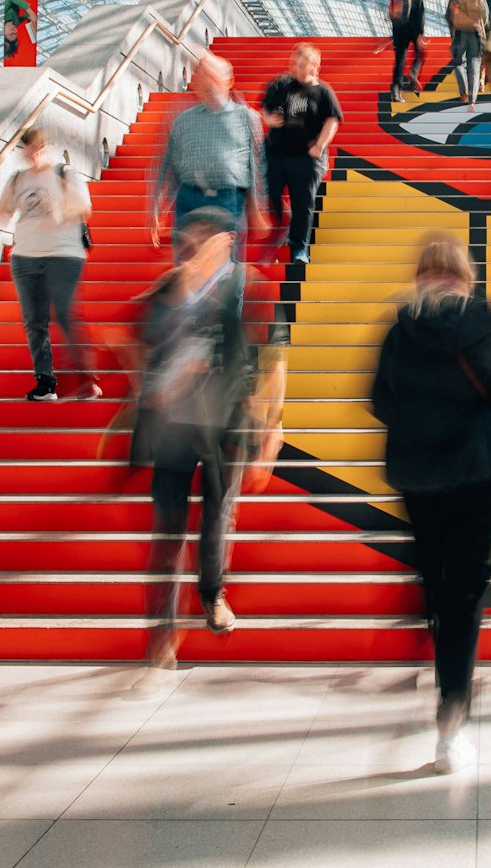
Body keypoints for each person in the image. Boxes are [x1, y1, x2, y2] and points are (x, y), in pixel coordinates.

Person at [370, 235, 491, 775]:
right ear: (466, 277)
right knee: (464, 599)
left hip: (416, 480)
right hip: (474, 478)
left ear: (421, 276)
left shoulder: (399, 331)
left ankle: (444, 668)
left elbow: (379, 403)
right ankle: (450, 722)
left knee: (440, 588)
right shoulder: (484, 328)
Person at [131, 207, 287, 670]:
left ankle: (212, 594)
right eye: (188, 239)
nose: (193, 247)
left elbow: (274, 355)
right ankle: (162, 627)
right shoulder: (168, 289)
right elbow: (140, 347)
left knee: (218, 512)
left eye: (204, 238)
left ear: (226, 241)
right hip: (174, 424)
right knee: (168, 525)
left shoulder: (250, 286)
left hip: (226, 422)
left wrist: (273, 420)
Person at [0, 126, 97, 401]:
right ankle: (45, 381)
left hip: (64, 253)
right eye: (28, 151)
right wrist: (4, 212)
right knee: (34, 321)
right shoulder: (18, 179)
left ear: (46, 147)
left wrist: (58, 214)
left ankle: (87, 379)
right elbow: (0, 212)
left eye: (37, 150)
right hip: (25, 255)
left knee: (64, 313)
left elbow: (85, 208)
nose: (33, 156)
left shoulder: (65, 173)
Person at [152, 52, 265, 246]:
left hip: (229, 199)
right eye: (201, 75)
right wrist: (157, 207)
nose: (206, 82)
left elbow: (255, 166)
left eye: (211, 75)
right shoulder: (183, 120)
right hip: (188, 198)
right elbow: (168, 165)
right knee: (188, 266)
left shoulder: (247, 117)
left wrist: (257, 209)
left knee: (225, 265)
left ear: (229, 81)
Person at [260, 44, 342, 266]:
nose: (297, 68)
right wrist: (269, 119)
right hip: (276, 153)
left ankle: (299, 247)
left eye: (303, 64)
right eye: (295, 63)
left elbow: (332, 120)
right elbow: (265, 107)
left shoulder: (323, 92)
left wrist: (320, 145)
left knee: (302, 202)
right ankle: (280, 227)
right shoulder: (281, 84)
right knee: (272, 193)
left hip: (306, 157)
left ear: (315, 66)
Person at [446, 0, 488, 108]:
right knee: (474, 66)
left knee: (458, 62)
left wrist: (453, 32)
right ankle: (472, 101)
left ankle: (463, 93)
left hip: (459, 33)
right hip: (475, 33)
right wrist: (481, 28)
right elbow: (485, 14)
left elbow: (449, 17)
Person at [388, 0, 427, 102]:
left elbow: (393, 11)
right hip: (414, 29)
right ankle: (413, 72)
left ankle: (396, 90)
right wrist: (420, 34)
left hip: (399, 28)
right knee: (421, 53)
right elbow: (420, 15)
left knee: (400, 59)